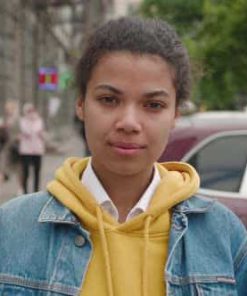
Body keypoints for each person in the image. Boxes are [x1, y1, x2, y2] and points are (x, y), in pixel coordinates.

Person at [0, 17, 246, 296]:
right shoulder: (10, 230)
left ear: (176, 113)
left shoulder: (224, 236)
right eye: (109, 99)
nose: (129, 122)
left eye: (153, 105)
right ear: (81, 103)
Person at [18, 103, 45, 193]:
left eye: (32, 110)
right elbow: (27, 131)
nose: (31, 113)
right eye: (29, 111)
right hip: (26, 150)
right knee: (26, 172)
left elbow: (38, 129)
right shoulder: (23, 121)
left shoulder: (39, 120)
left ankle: (36, 191)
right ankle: (25, 191)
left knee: (37, 172)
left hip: (37, 150)